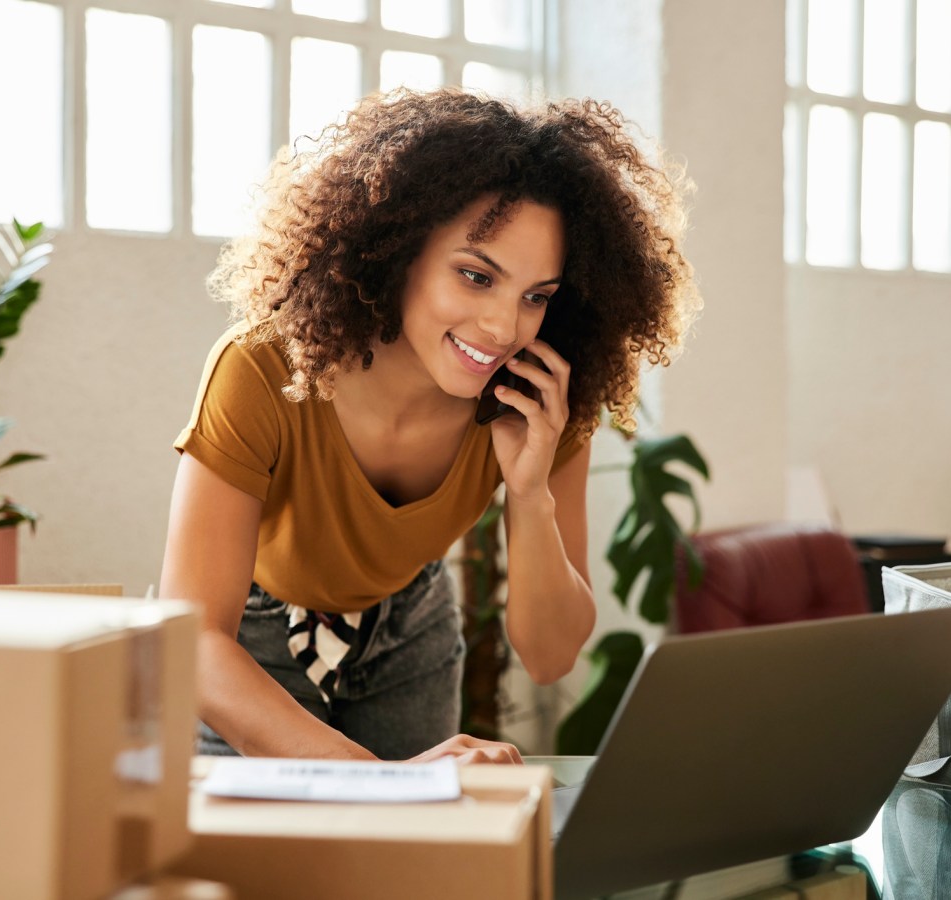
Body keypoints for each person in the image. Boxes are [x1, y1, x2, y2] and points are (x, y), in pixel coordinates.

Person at [159, 87, 699, 764]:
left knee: (401, 868)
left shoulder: (541, 398)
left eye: (536, 296)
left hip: (409, 626)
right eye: (476, 276)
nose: (504, 327)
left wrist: (530, 494)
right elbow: (197, 639)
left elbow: (551, 655)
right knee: (260, 864)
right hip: (248, 642)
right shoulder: (264, 368)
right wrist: (384, 782)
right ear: (396, 249)